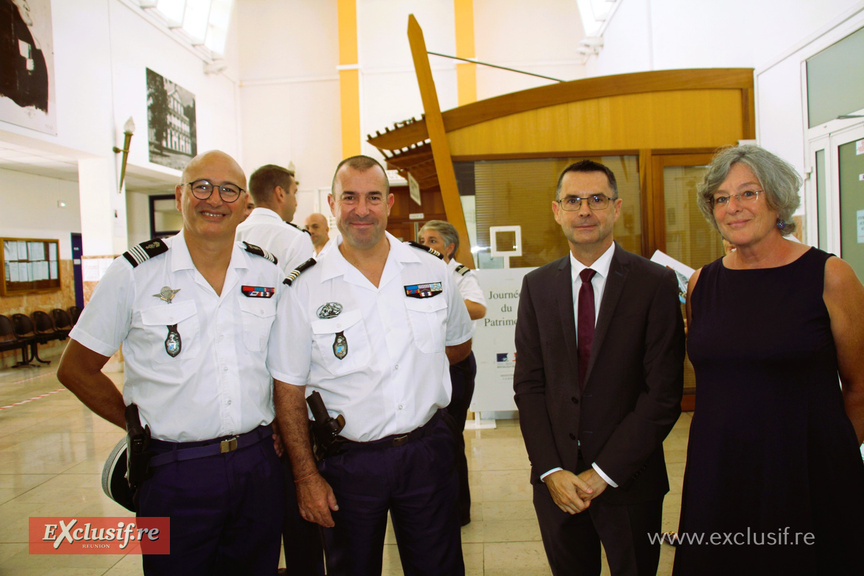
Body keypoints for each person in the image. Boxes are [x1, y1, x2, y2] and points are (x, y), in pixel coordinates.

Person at [56, 151, 287, 575]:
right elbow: (75, 368)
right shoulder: (135, 273)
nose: (213, 199)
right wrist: (135, 426)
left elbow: (283, 363)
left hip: (258, 467)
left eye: (228, 190)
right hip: (174, 472)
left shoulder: (267, 273)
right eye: (201, 186)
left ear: (244, 207)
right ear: (181, 195)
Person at [271, 155, 473, 576]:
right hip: (348, 465)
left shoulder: (432, 270)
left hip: (426, 454)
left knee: (440, 567)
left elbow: (457, 346)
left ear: (390, 203)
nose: (361, 209)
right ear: (332, 203)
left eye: (373, 197)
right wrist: (306, 477)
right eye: (350, 197)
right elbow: (288, 389)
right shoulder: (304, 287)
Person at [672, 145, 864, 576]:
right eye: (721, 198)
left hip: (806, 474)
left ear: (777, 199)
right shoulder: (703, 282)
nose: (733, 208)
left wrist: (832, 464)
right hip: (719, 472)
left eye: (748, 193)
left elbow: (860, 385)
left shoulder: (830, 275)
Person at [514, 159, 685, 576]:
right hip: (557, 484)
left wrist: (604, 473)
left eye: (597, 199)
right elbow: (530, 386)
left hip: (631, 480)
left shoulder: (654, 283)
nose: (585, 210)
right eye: (573, 200)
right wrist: (551, 470)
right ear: (557, 211)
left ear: (616, 208)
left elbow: (662, 393)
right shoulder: (537, 286)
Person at [418, 219, 486, 526]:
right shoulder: (413, 272)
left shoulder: (459, 274)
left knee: (449, 436)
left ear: (449, 247)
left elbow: (479, 308)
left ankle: (458, 510)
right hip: (422, 365)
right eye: (421, 239)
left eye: (432, 240)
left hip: (455, 364)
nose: (425, 244)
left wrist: (441, 300)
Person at [236, 164, 313, 273]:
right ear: (280, 193)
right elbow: (300, 288)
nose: (296, 202)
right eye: (294, 193)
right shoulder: (296, 238)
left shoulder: (234, 233)